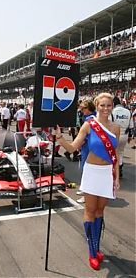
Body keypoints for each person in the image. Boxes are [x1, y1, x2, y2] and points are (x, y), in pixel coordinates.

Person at [53, 93, 120, 270]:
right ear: (96, 106)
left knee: (100, 211)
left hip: (107, 173)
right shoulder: (89, 125)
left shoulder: (115, 128)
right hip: (92, 173)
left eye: (109, 105)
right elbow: (73, 147)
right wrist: (60, 138)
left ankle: (97, 248)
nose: (106, 109)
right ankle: (92, 252)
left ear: (112, 106)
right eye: (102, 105)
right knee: (90, 211)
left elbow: (116, 156)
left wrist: (117, 177)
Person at [76, 99, 96, 204]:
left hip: (88, 147)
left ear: (88, 108)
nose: (81, 110)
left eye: (83, 108)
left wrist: (80, 142)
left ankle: (87, 195)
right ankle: (85, 190)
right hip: (88, 147)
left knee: (87, 171)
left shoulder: (91, 119)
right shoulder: (91, 117)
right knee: (86, 170)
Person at [112, 96, 133, 178]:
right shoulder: (128, 111)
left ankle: (114, 169)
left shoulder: (113, 111)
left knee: (113, 152)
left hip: (114, 134)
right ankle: (120, 169)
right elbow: (131, 126)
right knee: (120, 152)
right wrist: (130, 136)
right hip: (124, 134)